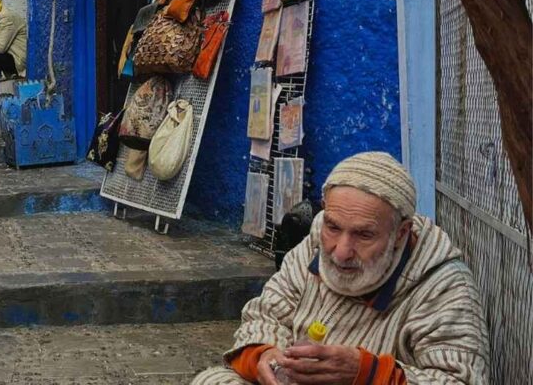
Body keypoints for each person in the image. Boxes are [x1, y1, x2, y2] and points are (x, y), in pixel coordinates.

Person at [193, 152, 489, 385]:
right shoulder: (315, 244)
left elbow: (460, 379)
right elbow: (266, 315)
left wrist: (366, 373)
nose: (341, 251)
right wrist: (263, 356)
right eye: (333, 227)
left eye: (364, 235)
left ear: (401, 233)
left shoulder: (444, 286)